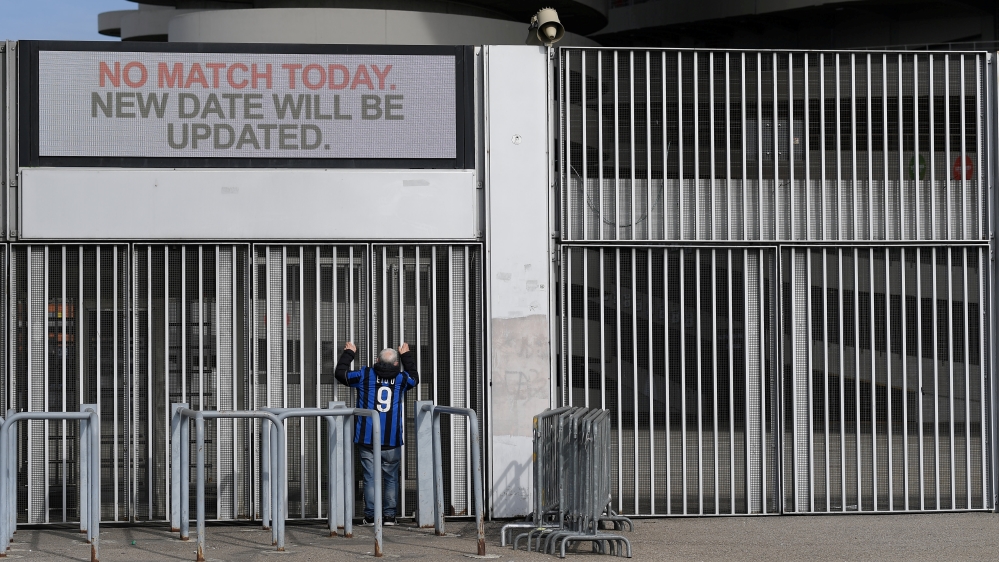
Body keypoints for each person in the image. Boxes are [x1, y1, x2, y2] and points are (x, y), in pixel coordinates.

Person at [334, 341, 419, 526]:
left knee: (370, 477)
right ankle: (389, 516)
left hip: (367, 437)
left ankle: (371, 516)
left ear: (376, 360)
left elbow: (340, 374)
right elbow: (415, 377)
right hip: (392, 438)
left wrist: (349, 353)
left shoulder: (365, 374)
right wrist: (406, 355)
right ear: (397, 364)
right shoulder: (402, 379)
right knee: (390, 477)